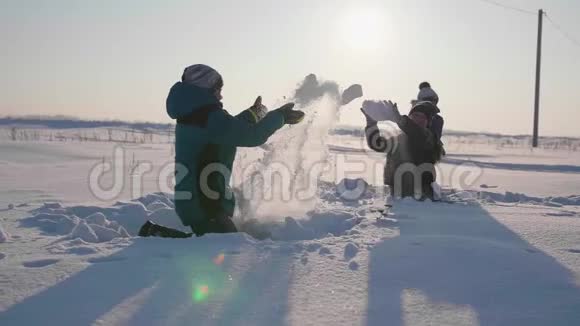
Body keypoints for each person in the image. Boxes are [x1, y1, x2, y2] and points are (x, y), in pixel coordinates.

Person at [139, 64, 304, 238]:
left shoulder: (196, 114)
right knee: (223, 247)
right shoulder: (207, 116)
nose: (221, 95)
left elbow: (228, 131)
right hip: (205, 200)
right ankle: (155, 234)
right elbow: (249, 136)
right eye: (218, 89)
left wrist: (252, 114)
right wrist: (280, 117)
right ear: (206, 89)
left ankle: (155, 234)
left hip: (198, 197)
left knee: (214, 243)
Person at [363, 100, 443, 200]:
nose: (418, 119)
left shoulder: (429, 138)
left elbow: (417, 133)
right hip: (397, 193)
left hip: (422, 197)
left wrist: (399, 119)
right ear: (410, 117)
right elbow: (377, 145)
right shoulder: (399, 138)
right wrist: (371, 124)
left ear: (428, 122)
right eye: (416, 115)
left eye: (423, 117)